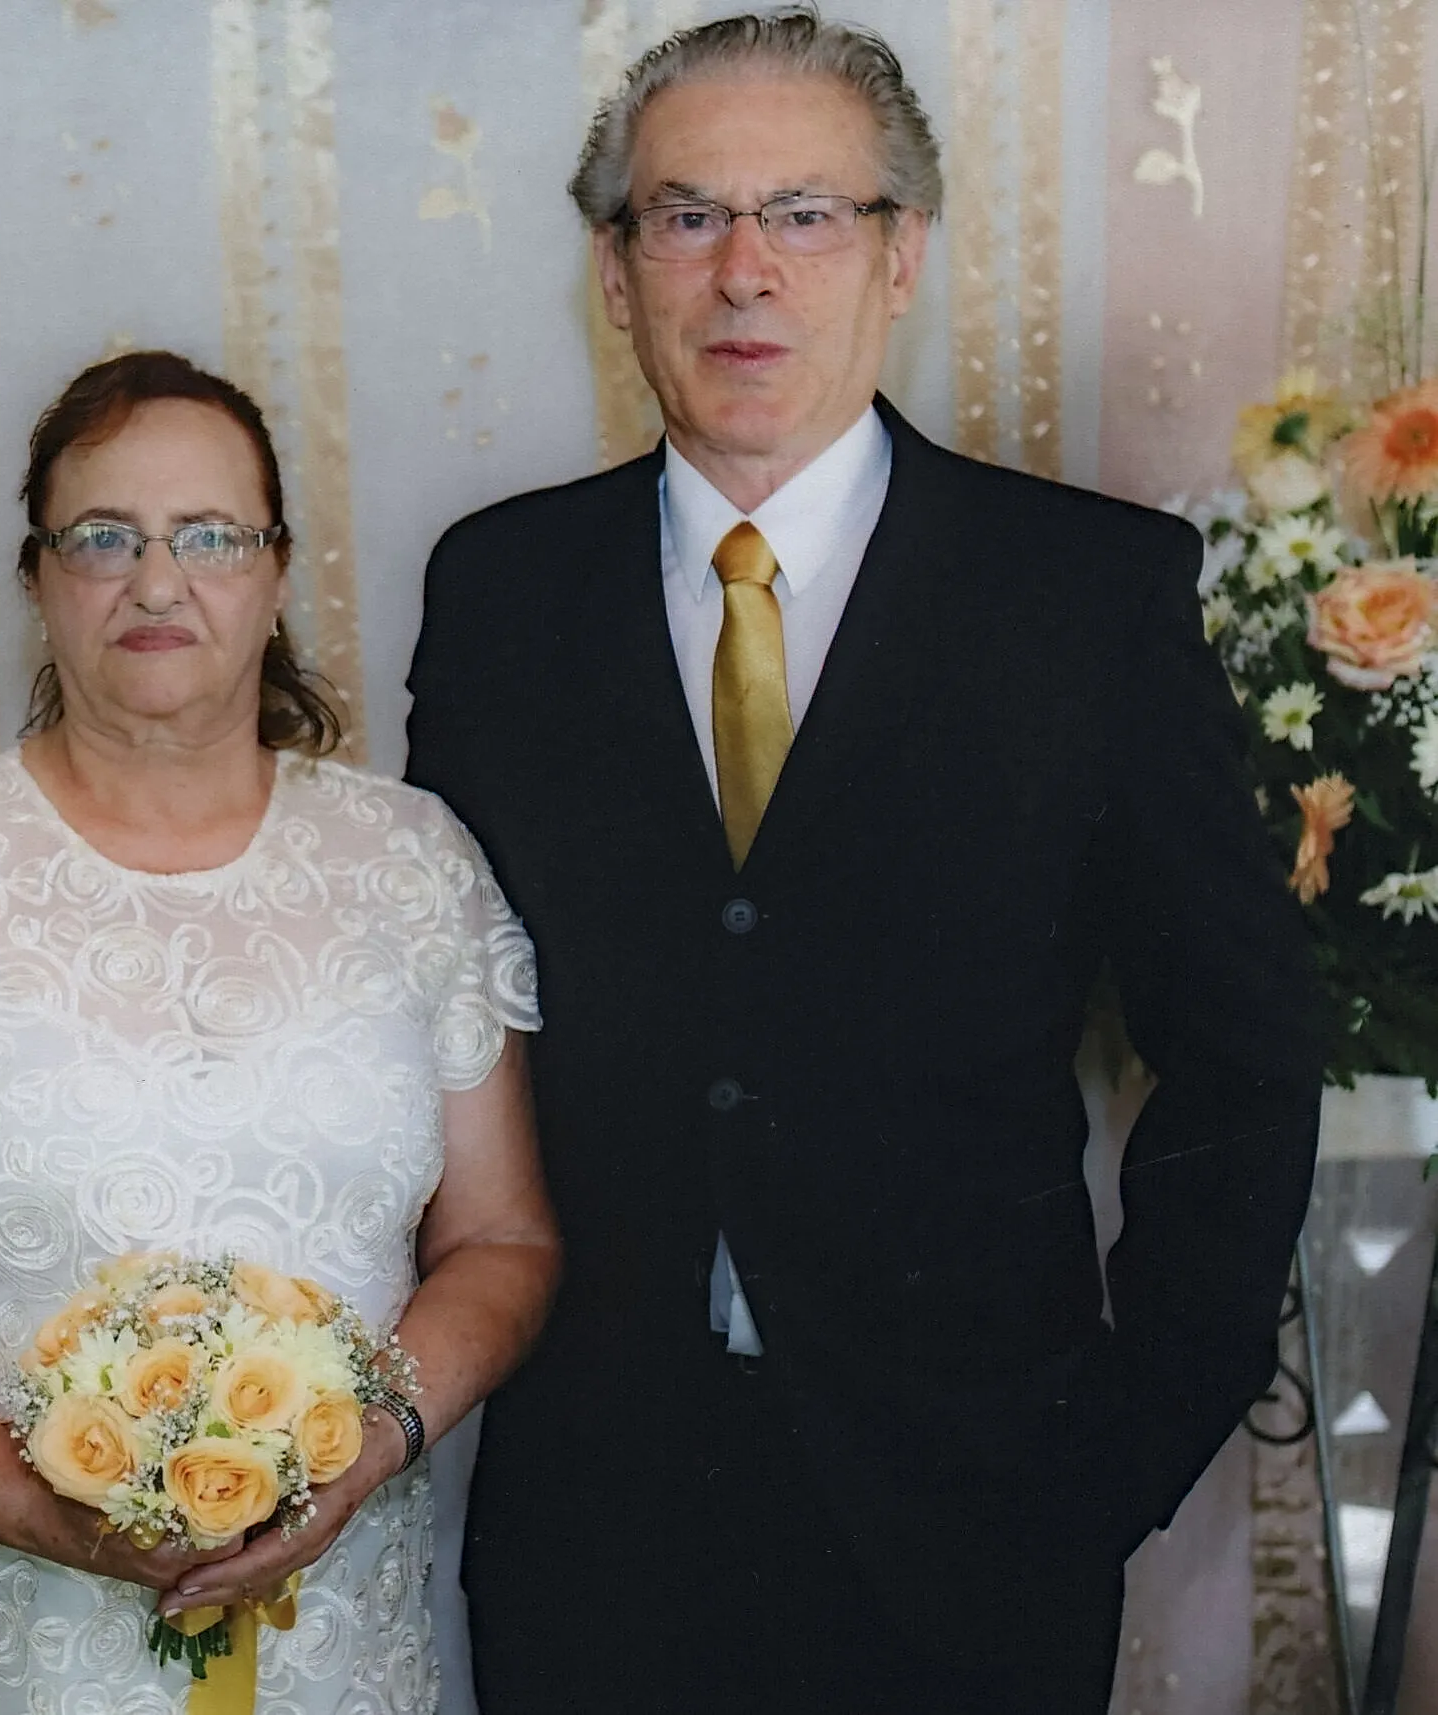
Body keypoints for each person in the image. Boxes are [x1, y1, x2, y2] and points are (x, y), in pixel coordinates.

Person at [404, 10, 1325, 1713]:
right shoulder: (500, 598)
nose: (745, 271)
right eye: (687, 216)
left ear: (902, 254)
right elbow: (436, 1026)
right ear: (617, 272)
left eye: (807, 213)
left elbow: (1248, 1055)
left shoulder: (1087, 601)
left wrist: (1119, 1448)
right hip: (595, 1532)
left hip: (977, 1526)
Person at [0, 350, 559, 1715]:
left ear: (278, 570)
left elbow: (504, 1240)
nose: (157, 580)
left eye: (210, 536)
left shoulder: (411, 865)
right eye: (105, 537)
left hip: (330, 1632)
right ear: (40, 576)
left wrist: (367, 1449)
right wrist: (27, 1504)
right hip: (6, 1643)